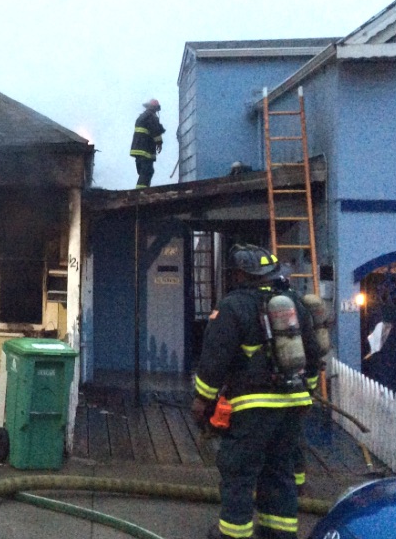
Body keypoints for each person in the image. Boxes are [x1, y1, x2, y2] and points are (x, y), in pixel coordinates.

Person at [191, 244, 321, 539]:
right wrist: (308, 394)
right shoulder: (294, 304)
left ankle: (233, 533)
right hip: (293, 403)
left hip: (253, 407)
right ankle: (280, 532)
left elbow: (214, 360)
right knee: (280, 469)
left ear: (240, 274)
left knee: (239, 471)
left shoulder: (231, 307)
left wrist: (202, 400)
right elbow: (312, 355)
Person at [130, 99, 166, 188]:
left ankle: (144, 189)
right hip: (145, 149)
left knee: (143, 171)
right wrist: (159, 143)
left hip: (137, 149)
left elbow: (154, 128)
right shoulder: (151, 117)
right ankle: (141, 193)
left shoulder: (142, 117)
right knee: (147, 171)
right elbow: (155, 130)